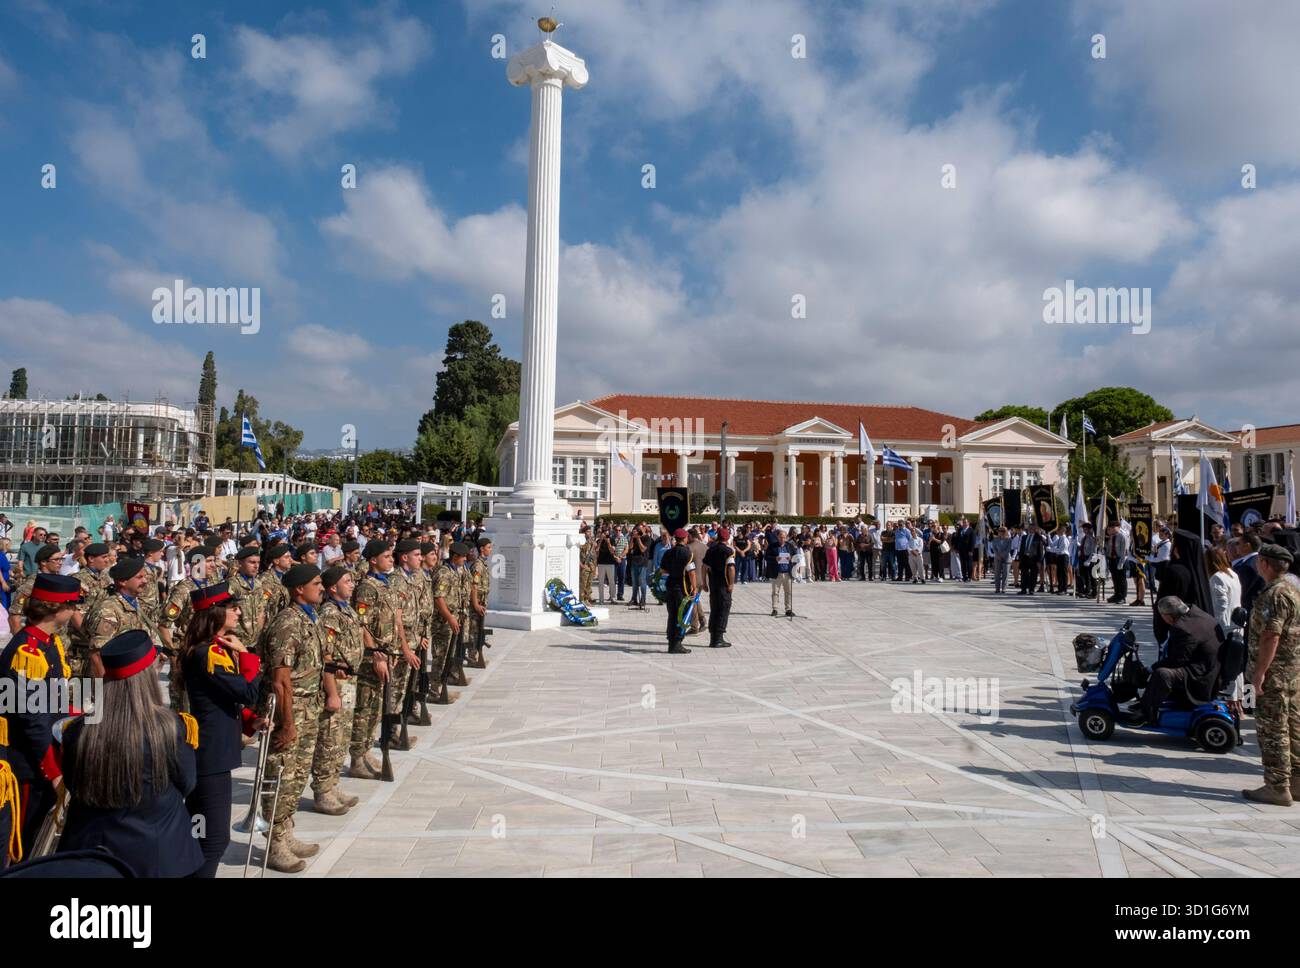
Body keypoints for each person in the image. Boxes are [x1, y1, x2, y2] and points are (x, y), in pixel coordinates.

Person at [55, 630, 203, 876]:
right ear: (148, 678)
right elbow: (187, 783)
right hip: (158, 855)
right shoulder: (171, 728)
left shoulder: (78, 732)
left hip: (94, 855)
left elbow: (74, 785)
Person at [180, 583, 263, 876]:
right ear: (215, 613)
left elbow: (227, 700)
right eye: (232, 608)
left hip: (212, 751)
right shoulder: (207, 654)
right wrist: (246, 656)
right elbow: (247, 692)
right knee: (213, 839)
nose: (238, 613)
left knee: (200, 834)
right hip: (209, 755)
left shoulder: (211, 649)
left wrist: (251, 721)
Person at [0, 574, 80, 855]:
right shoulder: (29, 652)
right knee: (20, 844)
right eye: (74, 605)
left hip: (43, 754)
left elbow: (55, 700)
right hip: (28, 764)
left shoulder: (48, 642)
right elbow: (32, 720)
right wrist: (54, 772)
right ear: (58, 608)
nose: (76, 611)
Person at [260, 563, 327, 873]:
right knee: (281, 775)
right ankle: (274, 843)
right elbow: (280, 681)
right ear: (299, 589)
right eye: (316, 583)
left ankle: (287, 833)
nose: (322, 587)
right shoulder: (287, 623)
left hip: (308, 706)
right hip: (290, 708)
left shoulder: (307, 618)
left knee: (298, 774)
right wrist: (286, 723)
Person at [1243, 544, 1300, 806]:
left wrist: (1259, 674)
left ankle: (1277, 787)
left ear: (1265, 564)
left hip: (1274, 674)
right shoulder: (1292, 589)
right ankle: (1296, 782)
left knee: (1273, 729)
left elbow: (1271, 636)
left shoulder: (1274, 595)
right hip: (1292, 673)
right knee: (1292, 726)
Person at [310, 567, 362, 816]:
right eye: (347, 581)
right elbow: (326, 654)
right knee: (330, 737)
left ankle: (333, 784)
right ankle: (322, 790)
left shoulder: (347, 609)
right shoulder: (330, 613)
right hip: (337, 683)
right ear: (333, 588)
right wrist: (331, 692)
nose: (352, 584)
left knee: (344, 733)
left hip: (349, 682)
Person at [1133, 597, 1222, 727]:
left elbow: (1177, 661)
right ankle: (1146, 702)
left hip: (1200, 676)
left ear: (1168, 617)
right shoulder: (1197, 613)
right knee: (1163, 669)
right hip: (1210, 666)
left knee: (1162, 674)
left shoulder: (1182, 628)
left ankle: (1146, 714)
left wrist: (1149, 669)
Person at [660, 529, 696, 654]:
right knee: (682, 616)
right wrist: (694, 588)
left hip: (670, 587)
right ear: (685, 538)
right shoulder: (687, 553)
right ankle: (677, 642)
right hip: (682, 588)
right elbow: (691, 572)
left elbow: (663, 571)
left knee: (672, 615)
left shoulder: (668, 553)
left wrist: (673, 570)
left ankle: (671, 642)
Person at [702, 528, 735, 649]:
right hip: (723, 585)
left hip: (713, 584)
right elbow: (731, 568)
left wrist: (704, 582)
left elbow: (704, 566)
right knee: (723, 609)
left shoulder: (710, 550)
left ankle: (713, 638)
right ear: (727, 538)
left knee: (714, 609)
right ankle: (718, 639)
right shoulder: (728, 551)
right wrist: (731, 584)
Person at [767, 528, 797, 617]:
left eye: (784, 537)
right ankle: (775, 609)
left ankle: (788, 609)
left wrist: (791, 558)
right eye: (780, 537)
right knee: (775, 592)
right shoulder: (772, 546)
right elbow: (767, 557)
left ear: (786, 537)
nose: (782, 539)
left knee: (788, 592)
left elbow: (796, 556)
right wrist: (774, 558)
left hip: (787, 572)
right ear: (777, 537)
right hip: (777, 572)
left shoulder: (789, 546)